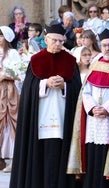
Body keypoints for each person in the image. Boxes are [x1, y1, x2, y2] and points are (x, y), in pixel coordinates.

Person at [10, 24, 82, 188]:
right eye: (54, 40)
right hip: (40, 116)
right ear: (46, 39)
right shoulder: (36, 60)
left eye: (60, 41)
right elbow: (28, 88)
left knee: (60, 151)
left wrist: (65, 85)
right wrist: (44, 83)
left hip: (63, 115)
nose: (57, 44)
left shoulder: (70, 61)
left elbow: (77, 88)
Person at [67, 29, 109, 188]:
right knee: (91, 154)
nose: (107, 48)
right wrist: (92, 108)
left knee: (106, 153)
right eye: (104, 45)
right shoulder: (95, 63)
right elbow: (86, 90)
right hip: (93, 118)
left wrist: (106, 109)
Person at [0, 26, 21, 172]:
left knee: (11, 121)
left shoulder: (13, 53)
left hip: (9, 89)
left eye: (1, 36)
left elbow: (19, 71)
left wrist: (6, 75)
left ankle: (14, 159)